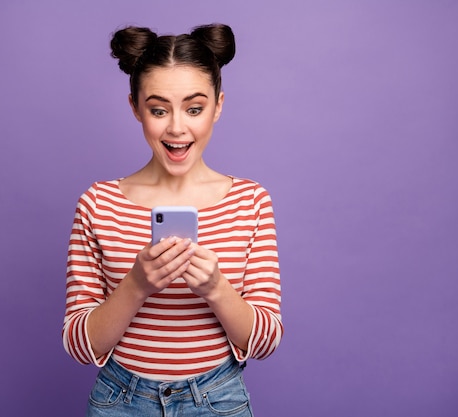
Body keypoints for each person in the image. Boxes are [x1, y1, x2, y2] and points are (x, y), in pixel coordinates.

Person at [63, 23, 283, 416]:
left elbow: (264, 342)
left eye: (194, 108)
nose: (177, 128)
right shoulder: (98, 203)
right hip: (121, 401)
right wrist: (136, 285)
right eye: (158, 109)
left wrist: (216, 288)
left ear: (218, 106)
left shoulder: (250, 201)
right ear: (135, 107)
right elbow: (81, 347)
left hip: (217, 400)